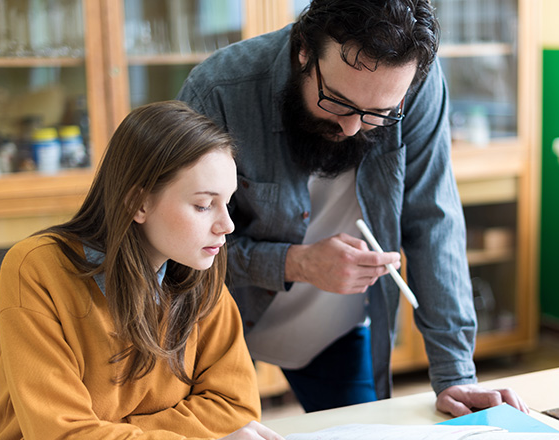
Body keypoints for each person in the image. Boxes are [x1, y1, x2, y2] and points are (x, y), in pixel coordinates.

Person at [177, 0, 527, 416]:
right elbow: (177, 247)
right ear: (304, 49)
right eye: (338, 102)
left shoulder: (415, 87)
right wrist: (296, 264)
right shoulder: (219, 90)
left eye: (379, 113)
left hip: (334, 328)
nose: (352, 128)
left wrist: (455, 375)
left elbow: (434, 223)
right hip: (221, 320)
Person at [0, 101, 283, 440]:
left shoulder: (199, 270)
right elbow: (63, 433)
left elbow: (236, 408)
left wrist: (109, 432)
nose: (226, 226)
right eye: (203, 205)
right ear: (138, 203)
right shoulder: (37, 268)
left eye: (227, 203)